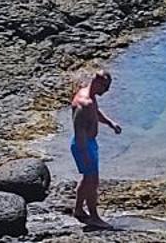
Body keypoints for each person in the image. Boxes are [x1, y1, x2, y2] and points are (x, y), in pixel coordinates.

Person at [69, 69, 123, 227]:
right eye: (105, 86)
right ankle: (94, 217)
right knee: (93, 182)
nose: (107, 90)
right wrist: (85, 153)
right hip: (84, 145)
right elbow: (79, 130)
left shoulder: (88, 95)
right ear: (98, 82)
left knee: (87, 179)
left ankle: (78, 209)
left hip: (88, 144)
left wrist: (110, 123)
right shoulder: (84, 102)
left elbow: (94, 113)